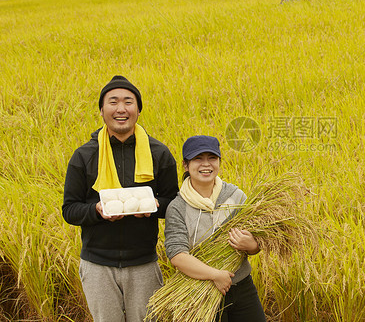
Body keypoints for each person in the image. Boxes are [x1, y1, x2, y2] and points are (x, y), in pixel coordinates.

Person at [62, 75, 179, 322]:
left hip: (144, 264)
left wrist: (155, 206)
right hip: (97, 266)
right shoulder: (84, 155)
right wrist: (96, 210)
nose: (121, 108)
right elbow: (70, 210)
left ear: (138, 109)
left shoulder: (159, 153)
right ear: (102, 110)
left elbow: (174, 204)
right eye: (113, 101)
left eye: (128, 101)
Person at [164, 135, 266, 321]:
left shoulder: (236, 197)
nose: (206, 164)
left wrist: (251, 244)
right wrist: (215, 275)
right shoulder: (177, 207)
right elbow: (177, 255)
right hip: (199, 289)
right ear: (185, 165)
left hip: (242, 286)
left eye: (212, 158)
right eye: (198, 158)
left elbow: (256, 243)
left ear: (219, 162)